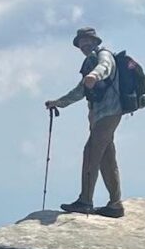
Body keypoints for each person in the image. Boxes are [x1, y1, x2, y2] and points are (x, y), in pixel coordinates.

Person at [45, 27, 124, 218]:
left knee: (90, 153)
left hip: (109, 113)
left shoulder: (104, 55)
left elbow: (104, 67)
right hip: (101, 116)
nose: (84, 44)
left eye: (87, 40)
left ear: (95, 41)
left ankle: (85, 201)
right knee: (106, 159)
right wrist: (59, 103)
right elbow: (80, 91)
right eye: (81, 42)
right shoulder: (89, 61)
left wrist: (94, 76)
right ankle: (115, 205)